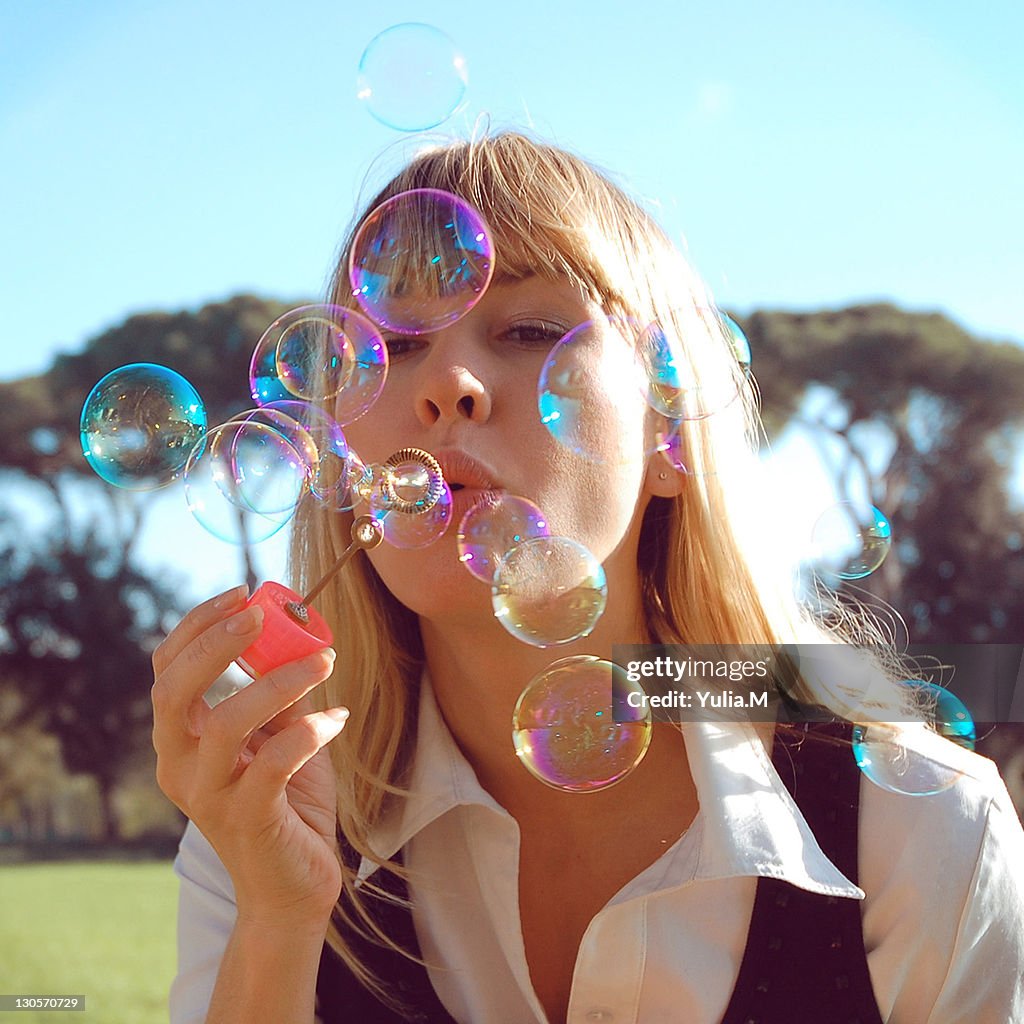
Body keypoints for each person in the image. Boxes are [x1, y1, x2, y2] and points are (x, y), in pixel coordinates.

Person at [152, 132, 1024, 1024]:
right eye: (393, 343)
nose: (449, 381)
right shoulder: (265, 823)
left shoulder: (926, 834)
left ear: (669, 436)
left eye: (529, 329)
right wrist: (278, 924)